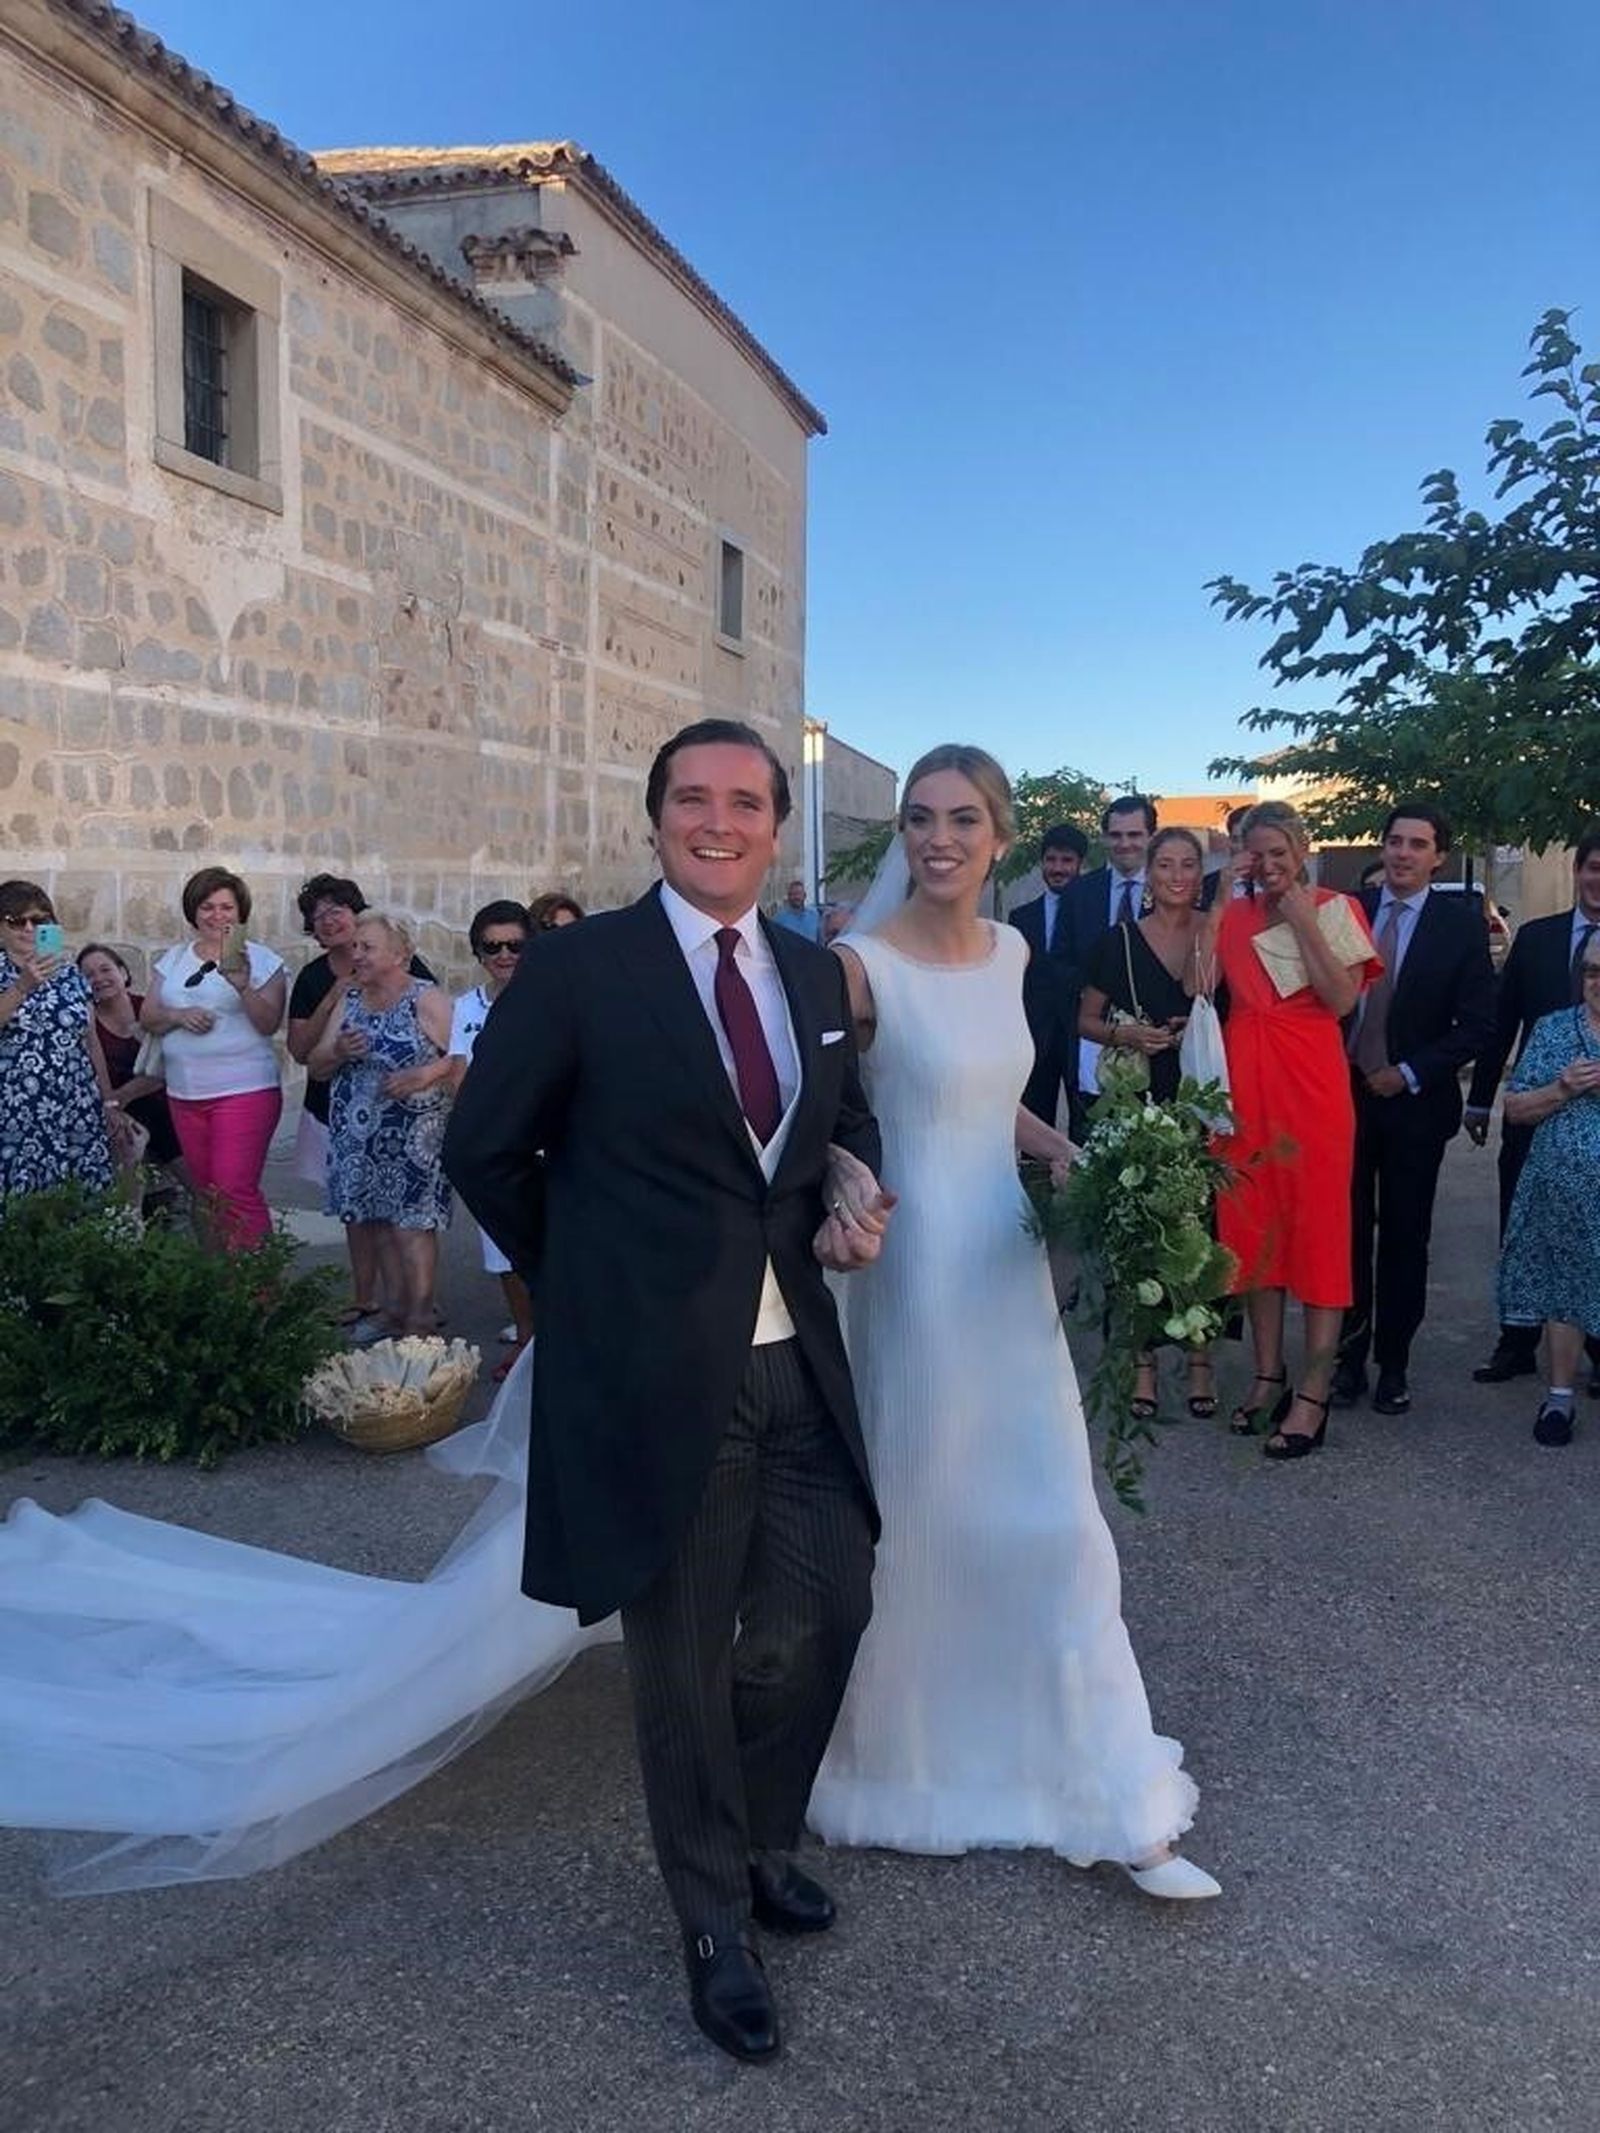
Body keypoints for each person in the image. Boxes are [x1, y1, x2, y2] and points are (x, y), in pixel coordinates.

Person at [447, 717, 890, 2063]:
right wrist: (591, 1282)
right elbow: (485, 1146)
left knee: (826, 1606)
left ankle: (757, 1835)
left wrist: (859, 1185)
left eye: (746, 801)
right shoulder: (583, 967)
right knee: (682, 1661)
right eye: (692, 799)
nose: (720, 820)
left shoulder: (814, 971)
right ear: (656, 821)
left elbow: (838, 1120)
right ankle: (712, 1920)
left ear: (772, 823)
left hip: (797, 1359)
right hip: (653, 1373)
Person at [808, 746, 1218, 1902]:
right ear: (903, 832)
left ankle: (1108, 1794)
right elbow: (811, 1102)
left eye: (964, 820)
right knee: (928, 1504)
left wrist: (1081, 1155)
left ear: (1000, 835)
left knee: (1052, 1510)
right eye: (920, 818)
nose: (939, 838)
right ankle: (907, 1768)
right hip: (910, 1265)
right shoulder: (855, 966)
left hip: (1006, 1255)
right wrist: (838, 1165)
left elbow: (998, 1106)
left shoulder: (1016, 951)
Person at [1205, 803, 1381, 1457]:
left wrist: (1302, 916)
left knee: (1317, 1231)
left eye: (1281, 851)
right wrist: (1223, 894)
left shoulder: (1338, 909)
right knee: (1253, 1229)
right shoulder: (1237, 912)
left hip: (1311, 1082)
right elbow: (1200, 981)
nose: (1271, 864)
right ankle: (1266, 1372)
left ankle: (1313, 1391)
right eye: (1259, 852)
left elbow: (1341, 1001)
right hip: (1244, 1080)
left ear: (1303, 849)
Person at [1331, 806, 1496, 1416]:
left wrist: (1407, 1072)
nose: (1402, 853)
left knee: (1405, 1236)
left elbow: (1477, 1025)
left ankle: (1393, 1363)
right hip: (1342, 1096)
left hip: (1414, 1103)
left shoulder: (1460, 928)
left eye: (1417, 845)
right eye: (1394, 841)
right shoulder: (1347, 912)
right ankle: (1347, 1356)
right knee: (1346, 1234)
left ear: (1438, 858)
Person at [1077, 826, 1219, 1420]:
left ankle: (1201, 1361)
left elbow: (1222, 1003)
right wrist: (1125, 1033)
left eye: (1189, 865)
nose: (1178, 876)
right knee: (1136, 1231)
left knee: (1198, 1231)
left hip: (1196, 1095)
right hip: (1136, 1098)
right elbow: (1083, 1019)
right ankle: (1142, 1364)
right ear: (1149, 872)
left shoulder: (1215, 933)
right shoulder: (1117, 941)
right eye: (1167, 865)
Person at [1466, 828, 1600, 1395]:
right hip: (1538, 1106)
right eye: (1593, 867)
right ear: (1577, 871)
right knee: (1522, 1223)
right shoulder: (1539, 937)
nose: (1599, 880)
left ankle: (1593, 1345)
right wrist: (1479, 1098)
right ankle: (1517, 1339)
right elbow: (1504, 1019)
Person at [286, 875, 434, 1324]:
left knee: (405, 1221)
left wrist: (427, 1074)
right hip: (341, 1113)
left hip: (405, 1122)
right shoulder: (318, 979)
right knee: (360, 1212)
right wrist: (336, 997)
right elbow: (302, 1052)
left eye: (338, 911)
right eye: (319, 916)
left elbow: (446, 1043)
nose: (330, 921)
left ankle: (417, 1306)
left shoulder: (413, 977)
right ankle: (373, 1298)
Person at [311, 914, 454, 1342]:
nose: (357, 955)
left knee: (412, 1225)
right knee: (376, 1222)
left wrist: (425, 1075)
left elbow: (467, 1056)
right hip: (359, 1134)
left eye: (368, 947)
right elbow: (316, 1066)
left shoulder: (425, 999)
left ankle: (420, 1318)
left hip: (415, 1133)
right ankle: (392, 1312)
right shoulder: (350, 1000)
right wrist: (337, 1049)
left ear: (400, 954)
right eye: (355, 947)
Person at [138, 869, 286, 1249]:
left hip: (244, 1089)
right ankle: (225, 1286)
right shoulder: (173, 960)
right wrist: (178, 1016)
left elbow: (268, 1022)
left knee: (235, 1188)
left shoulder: (263, 960)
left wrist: (242, 986)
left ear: (240, 912)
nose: (217, 916)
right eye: (207, 907)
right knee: (208, 1195)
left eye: (226, 907)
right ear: (194, 911)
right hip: (186, 1092)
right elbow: (149, 1016)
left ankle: (260, 1294)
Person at [1494, 941, 1600, 1443]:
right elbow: (1514, 1110)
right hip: (1562, 1192)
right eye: (1593, 971)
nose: (1599, 981)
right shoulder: (1555, 1028)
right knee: (1565, 1291)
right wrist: (1561, 1089)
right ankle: (1559, 1402)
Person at [449, 901, 535, 1379]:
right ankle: (525, 1338)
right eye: (492, 946)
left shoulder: (551, 997)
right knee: (502, 1249)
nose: (504, 955)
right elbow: (459, 1072)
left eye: (515, 945)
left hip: (544, 1138)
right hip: (494, 1141)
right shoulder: (467, 1006)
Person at [0, 882, 118, 1202]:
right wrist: (23, 985)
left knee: (79, 1198)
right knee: (19, 1202)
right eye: (16, 920)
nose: (28, 928)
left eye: (39, 921)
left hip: (75, 1104)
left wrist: (109, 1101)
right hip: (16, 1110)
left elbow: (90, 1041)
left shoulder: (69, 975)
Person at [1055, 795, 1159, 1140]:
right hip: (1092, 1037)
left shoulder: (1172, 890)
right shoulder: (1078, 894)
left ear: (1150, 836)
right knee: (1090, 1139)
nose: (1125, 844)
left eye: (1134, 835)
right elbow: (1060, 959)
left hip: (1155, 1041)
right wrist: (1093, 992)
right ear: (1104, 838)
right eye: (1116, 835)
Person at [75, 943, 186, 1182]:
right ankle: (129, 1216)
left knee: (202, 1187)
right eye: (89, 975)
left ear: (123, 972)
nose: (99, 978)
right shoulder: (85, 1020)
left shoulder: (148, 1010)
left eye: (106, 969)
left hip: (163, 1105)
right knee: (129, 1143)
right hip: (122, 1112)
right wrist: (113, 1104)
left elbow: (170, 1065)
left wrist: (120, 1096)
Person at [1009, 823, 1090, 1137]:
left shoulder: (1093, 912)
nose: (1058, 868)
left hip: (1081, 1031)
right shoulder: (1021, 917)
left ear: (1080, 863)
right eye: (1051, 860)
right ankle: (1036, 1182)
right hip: (1036, 1034)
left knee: (1085, 1119)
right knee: (1035, 1116)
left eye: (1066, 861)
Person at [770, 876, 823, 942]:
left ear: (804, 895)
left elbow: (820, 941)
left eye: (799, 893)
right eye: (793, 894)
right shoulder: (779, 918)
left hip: (812, 952)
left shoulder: (814, 915)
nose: (796, 897)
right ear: (788, 897)